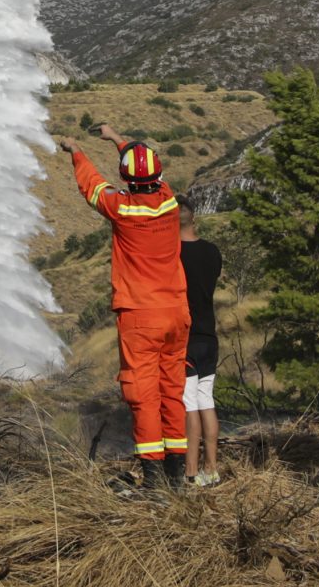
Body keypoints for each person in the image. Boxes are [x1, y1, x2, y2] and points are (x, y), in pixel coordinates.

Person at [62, 123, 188, 489]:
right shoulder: (169, 200)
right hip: (177, 313)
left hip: (140, 316)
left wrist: (76, 150)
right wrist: (117, 138)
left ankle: (154, 481)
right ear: (158, 174)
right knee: (172, 392)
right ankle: (177, 477)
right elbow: (141, 164)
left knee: (143, 395)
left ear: (126, 179)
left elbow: (92, 186)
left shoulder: (122, 209)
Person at [178, 202, 224, 487]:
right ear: (194, 217)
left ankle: (191, 472)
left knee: (188, 402)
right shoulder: (212, 252)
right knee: (207, 399)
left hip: (186, 337)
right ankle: (212, 468)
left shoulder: (173, 255)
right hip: (209, 334)